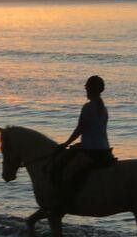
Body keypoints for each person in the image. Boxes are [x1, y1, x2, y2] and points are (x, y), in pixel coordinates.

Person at [49, 75, 116, 212]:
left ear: (91, 89)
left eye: (87, 87)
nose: (85, 90)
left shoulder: (88, 107)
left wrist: (65, 143)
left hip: (91, 151)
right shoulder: (103, 108)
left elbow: (80, 129)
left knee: (66, 171)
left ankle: (66, 202)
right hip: (104, 149)